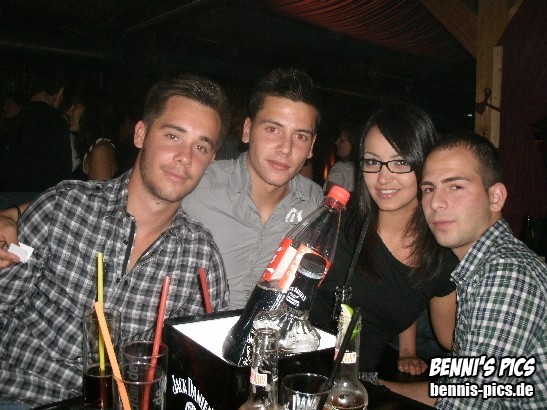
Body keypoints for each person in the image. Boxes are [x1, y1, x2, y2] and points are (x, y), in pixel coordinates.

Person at [0, 73, 231, 407]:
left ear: (210, 161)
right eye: (172, 136)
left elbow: (194, 382)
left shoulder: (201, 261)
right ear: (141, 134)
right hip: (22, 397)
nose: (185, 156)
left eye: (201, 147)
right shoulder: (63, 208)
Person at [382, 132, 547, 408]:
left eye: (455, 186)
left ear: (495, 197)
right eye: (429, 189)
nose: (436, 203)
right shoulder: (480, 268)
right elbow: (458, 391)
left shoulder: (507, 275)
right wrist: (373, 388)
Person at [310, 104, 458, 376]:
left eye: (400, 162)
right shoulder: (337, 223)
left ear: (426, 164)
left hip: (357, 383)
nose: (383, 177)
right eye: (372, 161)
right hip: (297, 367)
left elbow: (453, 339)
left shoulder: (441, 255)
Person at [182, 67, 325, 309]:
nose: (285, 148)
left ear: (312, 146)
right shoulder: (196, 187)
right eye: (272, 129)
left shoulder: (316, 206)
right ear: (247, 130)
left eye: (300, 136)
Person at [0, 71, 72, 207]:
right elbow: (62, 172)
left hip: (7, 199)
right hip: (41, 202)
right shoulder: (57, 123)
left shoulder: (14, 121)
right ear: (59, 92)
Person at [66, 92, 119, 180]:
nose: (68, 112)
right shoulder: (93, 148)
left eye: (76, 106)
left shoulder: (101, 151)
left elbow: (100, 189)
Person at [323, 122, 358, 193]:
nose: (336, 142)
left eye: (342, 140)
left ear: (353, 145)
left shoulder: (340, 168)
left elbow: (332, 197)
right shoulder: (364, 169)